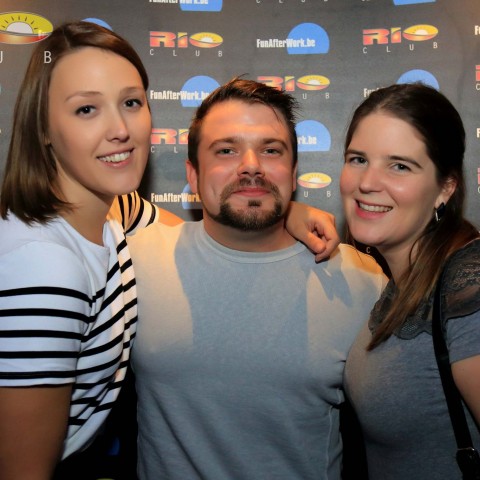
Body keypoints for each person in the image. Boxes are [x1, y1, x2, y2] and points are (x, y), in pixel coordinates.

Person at [0, 22, 340, 479]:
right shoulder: (44, 265)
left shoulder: (113, 214)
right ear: (43, 128)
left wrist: (283, 209)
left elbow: (196, 233)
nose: (120, 129)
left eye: (130, 103)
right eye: (86, 109)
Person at [128, 77, 386, 480]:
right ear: (193, 175)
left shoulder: (361, 281)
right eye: (226, 150)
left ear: (294, 172)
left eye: (270, 150)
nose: (251, 165)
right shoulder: (135, 261)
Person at [341, 83, 480, 479]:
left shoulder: (468, 290)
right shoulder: (402, 282)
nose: (368, 182)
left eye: (399, 166)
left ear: (445, 188)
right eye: (358, 159)